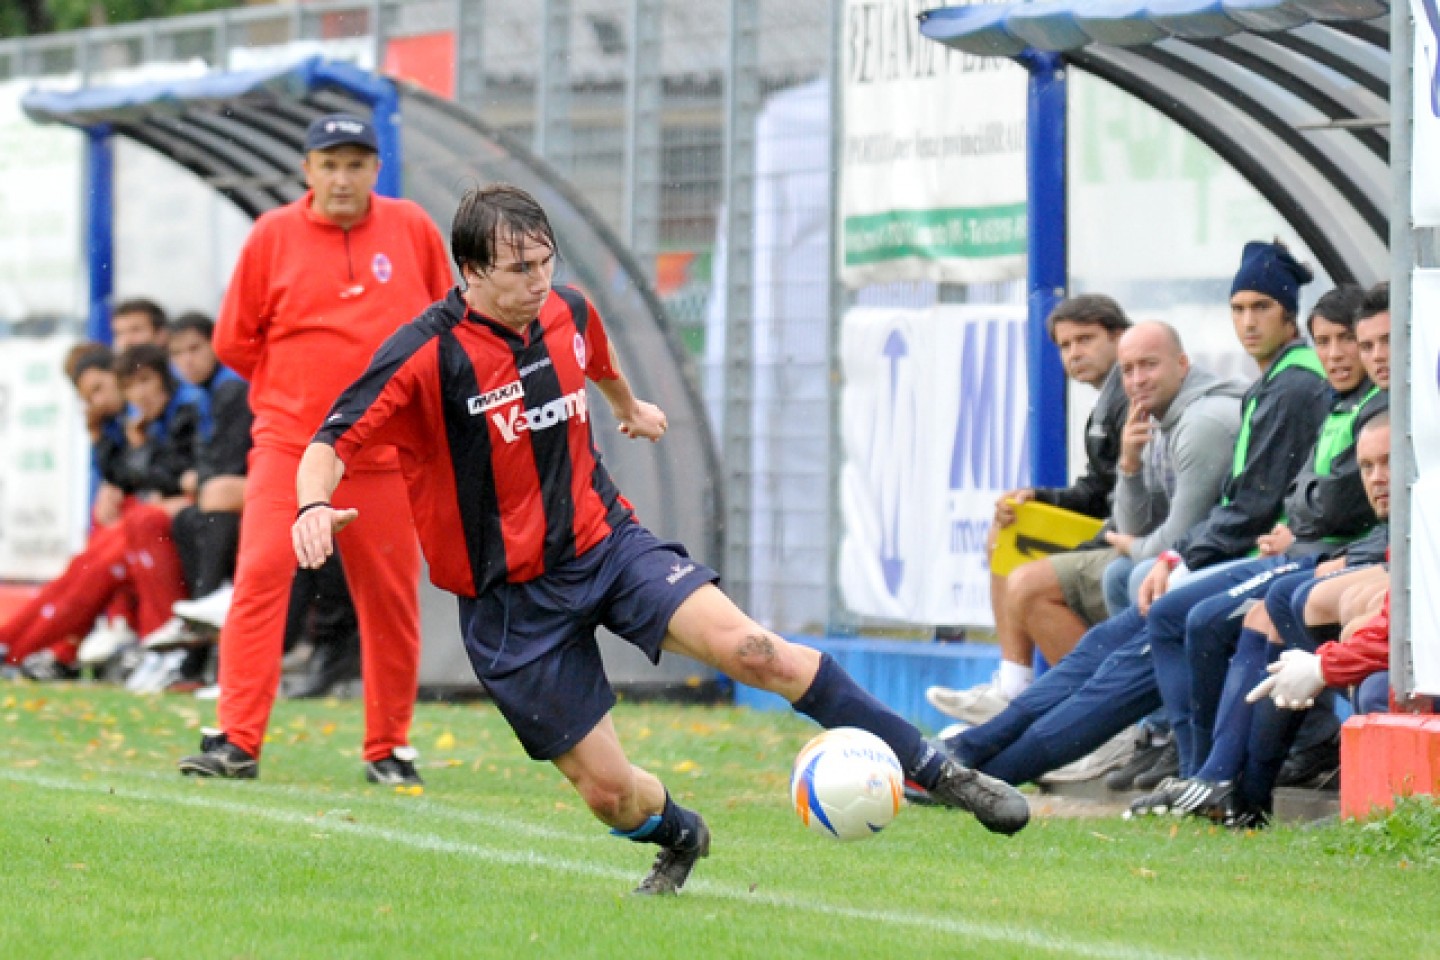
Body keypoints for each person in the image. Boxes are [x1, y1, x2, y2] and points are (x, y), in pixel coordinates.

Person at [290, 183, 1030, 894]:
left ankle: (942, 770)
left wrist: (629, 405)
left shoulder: (568, 312)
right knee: (612, 796)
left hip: (607, 546)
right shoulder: (425, 354)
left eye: (547, 261)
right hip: (511, 607)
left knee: (752, 650)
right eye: (521, 269)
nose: (541, 281)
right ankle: (679, 834)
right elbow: (330, 439)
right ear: (473, 271)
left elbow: (597, 362)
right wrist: (312, 506)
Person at [931, 241, 1332, 788]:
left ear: (1290, 314)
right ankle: (975, 752)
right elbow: (1223, 507)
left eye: (1261, 307)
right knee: (1109, 639)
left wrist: (1175, 554)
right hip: (1256, 557)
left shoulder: (1287, 389)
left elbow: (1253, 509)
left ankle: (1179, 762)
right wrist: (1132, 467)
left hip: (1292, 563)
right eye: (1239, 308)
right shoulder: (1274, 384)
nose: (1247, 321)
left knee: (1149, 624)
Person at [177, 113, 454, 784]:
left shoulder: (411, 227)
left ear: (374, 171)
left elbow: (447, 320)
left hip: (382, 453)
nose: (341, 177)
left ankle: (388, 746)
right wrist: (298, 391)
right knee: (263, 578)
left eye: (355, 163)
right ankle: (235, 740)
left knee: (389, 597)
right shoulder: (272, 234)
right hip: (289, 448)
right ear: (306, 170)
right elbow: (234, 342)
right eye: (328, 163)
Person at [927, 295, 1130, 723]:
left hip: (1131, 542)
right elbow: (1098, 492)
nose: (1075, 353)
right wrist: (1037, 498)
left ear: (1119, 336)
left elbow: (1135, 501)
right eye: (1065, 345)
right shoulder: (1105, 402)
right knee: (1010, 527)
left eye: (1086, 340)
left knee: (1029, 579)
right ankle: (1013, 684)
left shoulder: (1130, 394)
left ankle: (1103, 718)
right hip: (1111, 529)